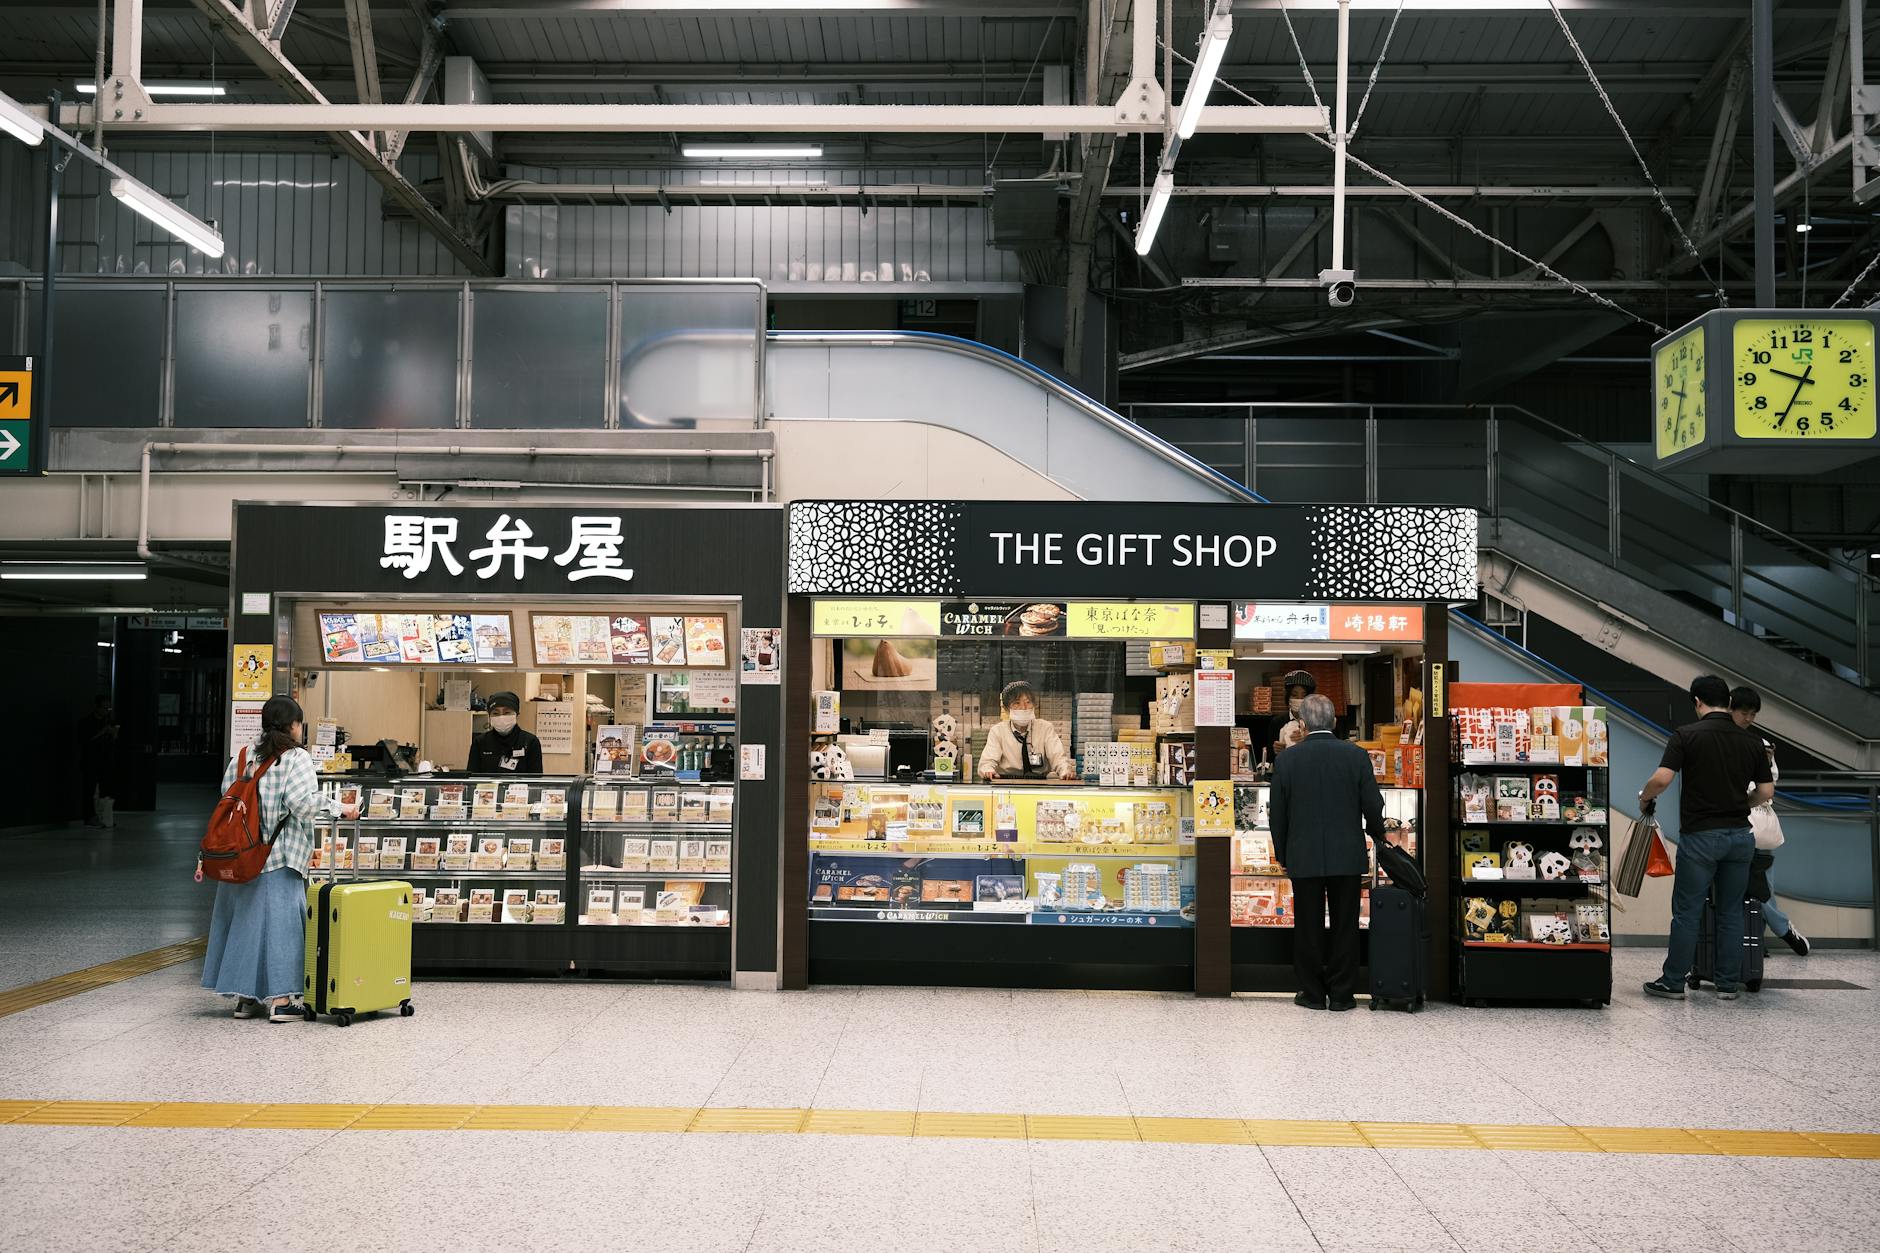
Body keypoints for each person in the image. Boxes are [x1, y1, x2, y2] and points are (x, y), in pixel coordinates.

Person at [200, 695, 341, 1023]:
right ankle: (280, 1000)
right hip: (277, 855)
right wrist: (340, 808)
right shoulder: (296, 757)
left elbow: (226, 795)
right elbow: (301, 803)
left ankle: (246, 999)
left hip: (239, 856)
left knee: (245, 925)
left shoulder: (243, 755)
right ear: (294, 725)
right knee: (283, 928)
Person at [1638, 674, 1774, 1000]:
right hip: (1741, 837)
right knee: (1730, 911)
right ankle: (1727, 984)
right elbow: (1766, 791)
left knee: (1688, 912)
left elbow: (1661, 779)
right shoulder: (1751, 741)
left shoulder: (1686, 735)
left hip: (1700, 837)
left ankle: (1673, 982)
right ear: (1728, 703)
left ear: (1697, 702)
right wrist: (1743, 803)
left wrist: (1645, 798)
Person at [1270, 694, 1386, 1011]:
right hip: (1346, 854)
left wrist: (1283, 854)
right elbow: (1373, 805)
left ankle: (1311, 993)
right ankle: (1342, 995)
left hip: (1303, 854)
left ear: (1303, 725)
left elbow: (1277, 815)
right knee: (1345, 925)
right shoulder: (1356, 756)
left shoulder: (1287, 760)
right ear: (1335, 722)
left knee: (1307, 925)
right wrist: (1379, 834)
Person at [1728, 686, 1809, 957]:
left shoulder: (1759, 743)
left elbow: (1770, 783)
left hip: (1755, 823)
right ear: (1730, 708)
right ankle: (1778, 929)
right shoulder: (1722, 739)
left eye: (1753, 714)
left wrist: (1766, 765)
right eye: (1744, 713)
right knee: (1749, 886)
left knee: (1761, 885)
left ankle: (1756, 939)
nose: (1748, 719)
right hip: (1739, 822)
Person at [978, 680, 1075, 781]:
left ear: (1034, 705)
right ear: (1007, 709)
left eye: (1028, 702)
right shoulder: (997, 731)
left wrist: (1065, 771)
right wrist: (987, 770)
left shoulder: (1045, 728)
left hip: (1039, 785)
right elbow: (987, 762)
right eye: (1017, 703)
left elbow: (1058, 757)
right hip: (1005, 784)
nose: (1023, 707)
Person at [467, 691, 543, 774]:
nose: (501, 717)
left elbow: (536, 780)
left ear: (517, 714)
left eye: (507, 712)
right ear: (490, 716)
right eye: (495, 713)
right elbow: (472, 777)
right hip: (488, 787)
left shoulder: (530, 742)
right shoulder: (480, 742)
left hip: (519, 787)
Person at [76, 695, 118, 828]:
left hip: (105, 761)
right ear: (97, 707)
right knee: (89, 790)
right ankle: (89, 817)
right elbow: (84, 740)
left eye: (108, 708)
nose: (107, 710)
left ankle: (104, 816)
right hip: (91, 761)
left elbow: (112, 743)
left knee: (106, 790)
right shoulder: (86, 722)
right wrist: (102, 732)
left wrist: (113, 734)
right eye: (104, 707)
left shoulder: (108, 721)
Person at [1274, 669, 1317, 754]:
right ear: (1287, 696)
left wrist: (1307, 740)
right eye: (1294, 695)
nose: (1299, 699)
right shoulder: (1277, 722)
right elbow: (1269, 759)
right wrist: (1278, 751)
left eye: (1304, 695)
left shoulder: (1318, 722)